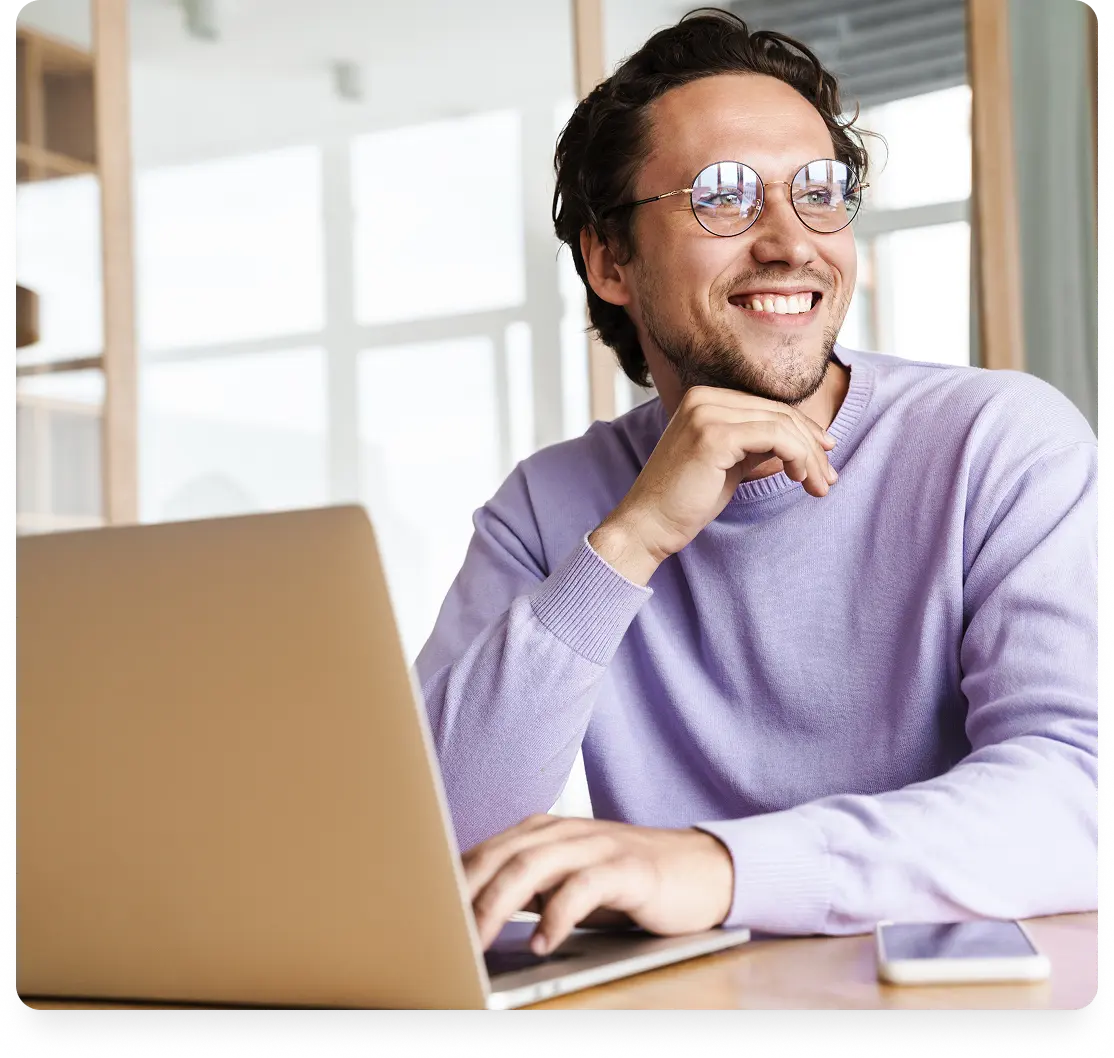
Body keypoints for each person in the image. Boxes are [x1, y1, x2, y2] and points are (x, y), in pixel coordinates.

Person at [415, 10, 1098, 957]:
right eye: (724, 197)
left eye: (819, 191)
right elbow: (428, 842)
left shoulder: (1000, 443)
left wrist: (715, 867)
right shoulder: (548, 504)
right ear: (611, 260)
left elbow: (1079, 801)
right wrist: (630, 541)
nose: (791, 241)